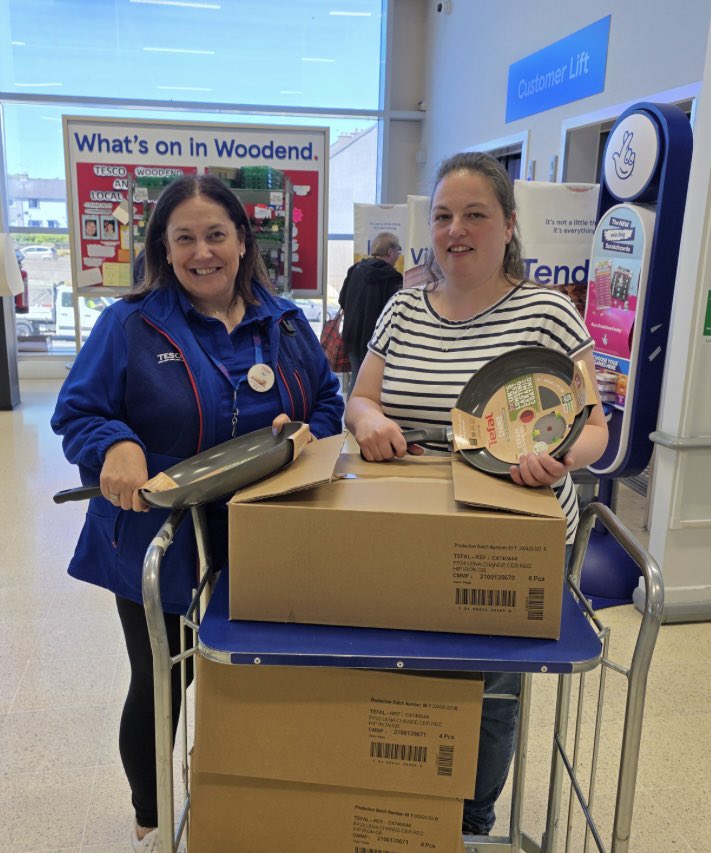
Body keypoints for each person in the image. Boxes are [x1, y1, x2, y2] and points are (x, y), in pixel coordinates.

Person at [51, 174, 344, 851]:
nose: (202, 252)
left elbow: (326, 401)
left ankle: (255, 799)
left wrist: (304, 434)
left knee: (260, 673)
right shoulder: (129, 324)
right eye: (184, 237)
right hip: (160, 539)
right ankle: (152, 817)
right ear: (164, 246)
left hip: (266, 534)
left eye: (216, 234)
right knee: (164, 676)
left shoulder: (287, 321)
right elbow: (78, 411)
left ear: (242, 240)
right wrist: (115, 443)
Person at [345, 151, 608, 837]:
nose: (454, 229)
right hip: (412, 520)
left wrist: (560, 457)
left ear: (509, 226)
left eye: (474, 214)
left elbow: (596, 429)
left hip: (516, 524)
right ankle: (404, 808)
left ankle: (469, 820)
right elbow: (362, 398)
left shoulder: (547, 313)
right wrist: (370, 421)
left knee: (491, 682)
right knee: (400, 665)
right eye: (441, 216)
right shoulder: (403, 307)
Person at [338, 231, 402, 395]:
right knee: (376, 383)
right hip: (377, 340)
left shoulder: (354, 270)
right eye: (398, 251)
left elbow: (342, 301)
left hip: (352, 335)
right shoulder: (393, 278)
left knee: (357, 377)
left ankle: (352, 416)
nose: (398, 255)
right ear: (390, 252)